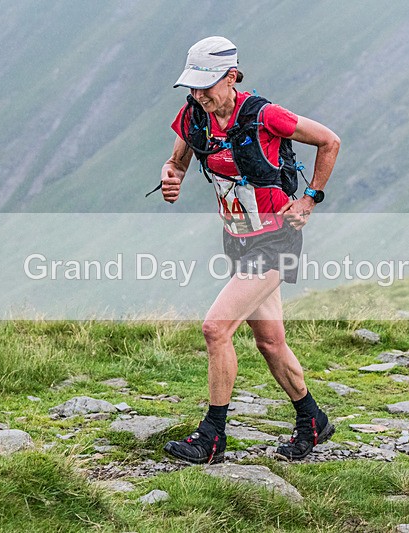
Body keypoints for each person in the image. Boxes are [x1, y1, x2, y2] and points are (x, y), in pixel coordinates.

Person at [160, 36, 340, 464]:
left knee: (215, 328)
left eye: (207, 85)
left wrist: (310, 197)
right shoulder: (194, 116)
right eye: (193, 86)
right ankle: (313, 421)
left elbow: (329, 141)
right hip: (238, 237)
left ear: (233, 76)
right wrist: (171, 176)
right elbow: (178, 162)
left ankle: (212, 436)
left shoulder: (265, 115)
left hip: (276, 238)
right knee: (270, 342)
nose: (199, 95)